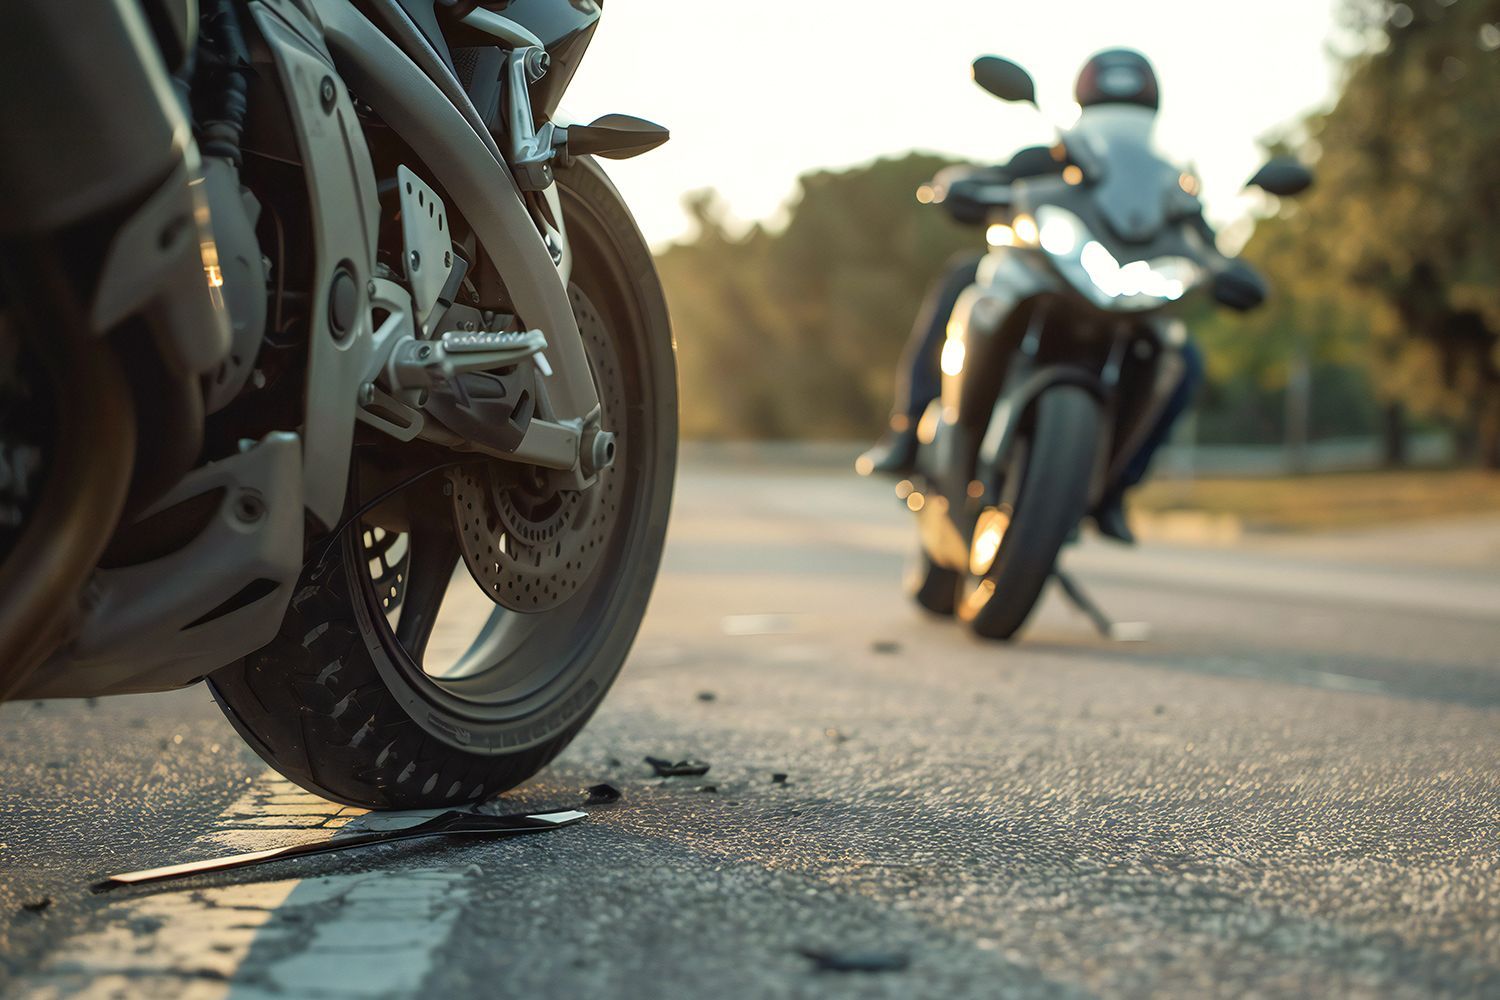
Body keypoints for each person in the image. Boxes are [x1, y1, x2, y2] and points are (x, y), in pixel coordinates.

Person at [858, 48, 1204, 545]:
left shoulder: (1169, 184)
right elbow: (998, 178)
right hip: (1046, 283)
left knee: (1184, 359)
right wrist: (965, 185)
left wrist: (1228, 268)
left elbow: (1201, 239)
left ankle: (1114, 489)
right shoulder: (1053, 156)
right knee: (964, 278)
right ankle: (908, 430)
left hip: (1126, 298)